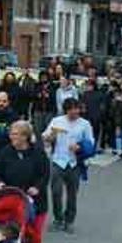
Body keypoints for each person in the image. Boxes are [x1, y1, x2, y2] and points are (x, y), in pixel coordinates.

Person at [0, 120, 50, 243]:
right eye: (11, 133)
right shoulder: (6, 152)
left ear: (25, 136)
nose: (12, 137)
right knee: (10, 237)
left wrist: (36, 188)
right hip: (11, 202)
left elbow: (44, 175)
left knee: (33, 239)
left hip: (34, 204)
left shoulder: (38, 153)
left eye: (16, 134)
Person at [43, 99, 93, 235]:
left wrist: (79, 147)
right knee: (56, 192)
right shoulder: (57, 121)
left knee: (72, 193)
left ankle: (69, 220)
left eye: (77, 109)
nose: (74, 112)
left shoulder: (85, 124)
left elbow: (90, 142)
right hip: (58, 161)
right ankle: (58, 218)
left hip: (74, 163)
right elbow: (45, 137)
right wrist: (51, 136)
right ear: (66, 110)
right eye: (71, 109)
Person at [80, 79, 106, 153]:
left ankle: (93, 147)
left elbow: (102, 106)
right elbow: (82, 105)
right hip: (91, 117)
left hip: (93, 117)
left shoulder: (96, 94)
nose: (87, 87)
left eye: (89, 85)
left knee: (93, 133)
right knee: (91, 134)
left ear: (93, 86)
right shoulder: (86, 94)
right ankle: (91, 147)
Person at [32, 71, 56, 140]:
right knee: (38, 129)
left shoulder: (52, 86)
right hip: (38, 110)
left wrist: (49, 96)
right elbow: (31, 96)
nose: (43, 78)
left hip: (49, 110)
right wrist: (37, 95)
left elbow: (55, 98)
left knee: (48, 129)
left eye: (45, 77)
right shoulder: (37, 85)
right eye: (42, 77)